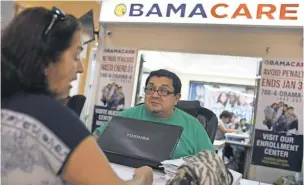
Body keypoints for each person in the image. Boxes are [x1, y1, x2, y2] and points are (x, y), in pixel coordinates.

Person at [1, 7, 152, 185]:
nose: (80, 68)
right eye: (75, 56)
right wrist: (142, 177)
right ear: (47, 60)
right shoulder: (51, 116)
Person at [94, 69, 214, 159]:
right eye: (150, 89)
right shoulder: (127, 116)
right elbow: (95, 140)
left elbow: (211, 162)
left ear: (176, 98)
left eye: (163, 91)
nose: (155, 95)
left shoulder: (193, 126)